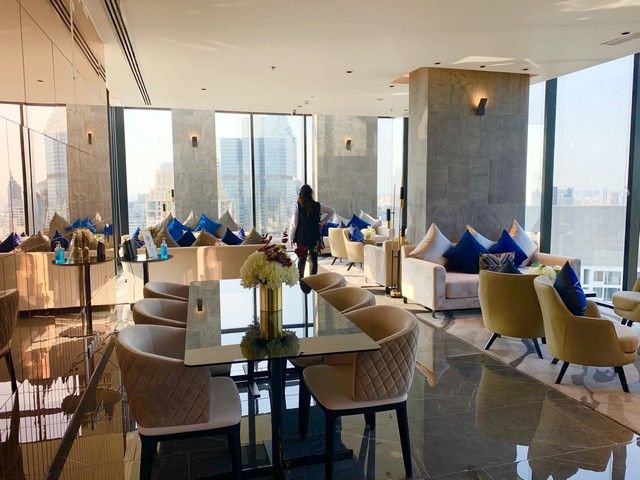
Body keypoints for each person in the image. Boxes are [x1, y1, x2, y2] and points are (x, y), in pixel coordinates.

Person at [288, 185, 335, 278]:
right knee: (314, 259)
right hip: (314, 238)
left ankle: (301, 279)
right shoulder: (318, 205)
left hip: (302, 238)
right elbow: (332, 211)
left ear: (301, 194)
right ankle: (313, 280)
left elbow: (294, 224)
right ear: (311, 194)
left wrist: (291, 237)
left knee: (302, 259)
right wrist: (322, 222)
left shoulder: (298, 207)